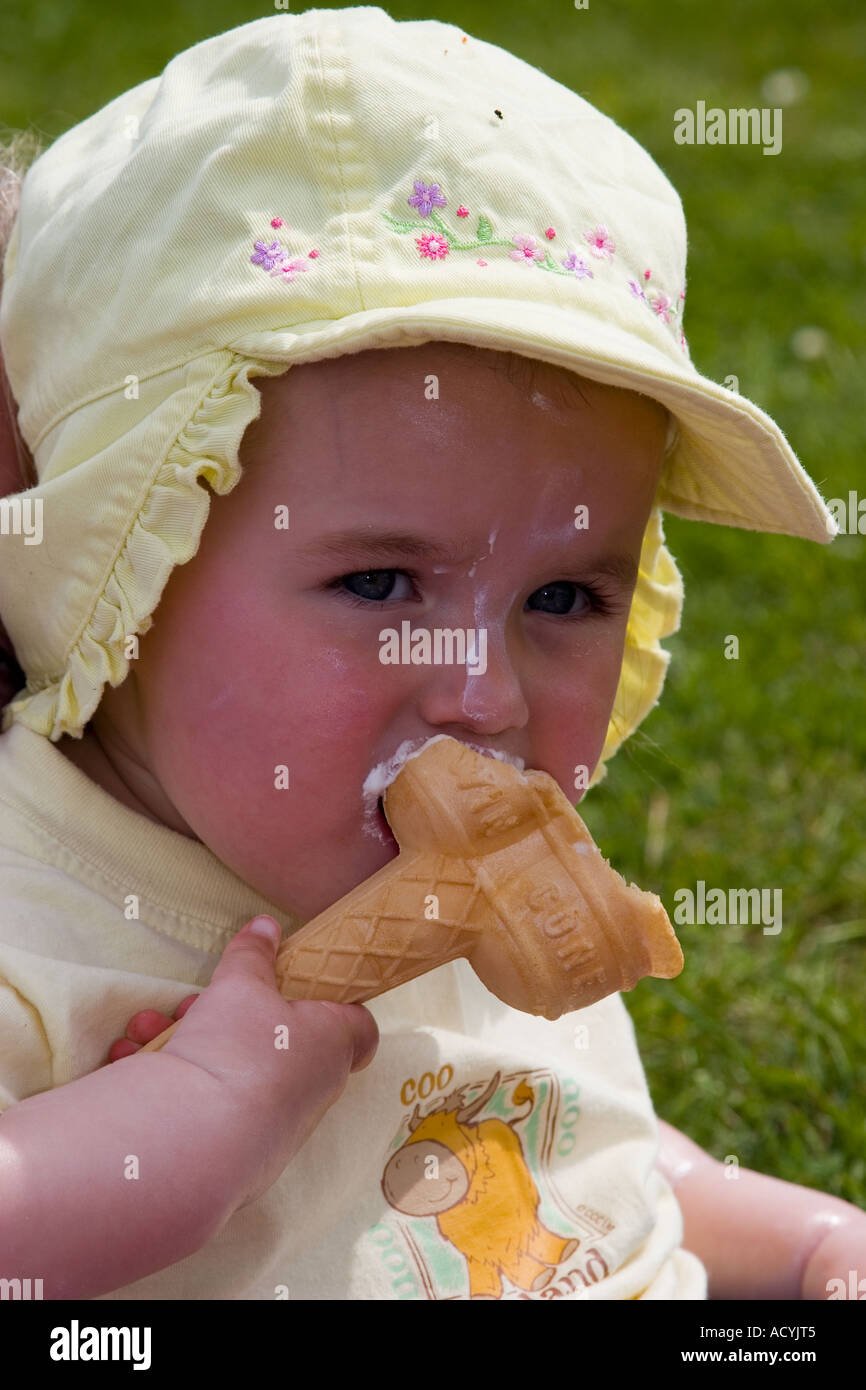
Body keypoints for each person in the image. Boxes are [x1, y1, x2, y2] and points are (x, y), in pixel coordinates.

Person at [0, 8, 863, 1301]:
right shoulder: (36, 920)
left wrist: (804, 1242)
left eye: (563, 594)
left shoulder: (478, 887)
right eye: (379, 580)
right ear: (120, 565)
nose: (488, 691)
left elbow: (574, 1139)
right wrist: (191, 1111)